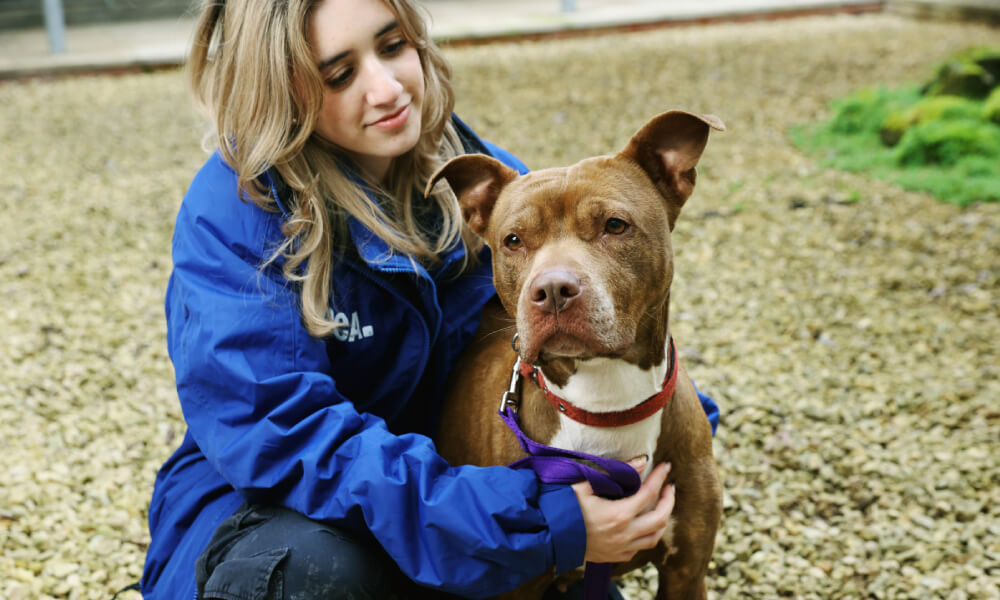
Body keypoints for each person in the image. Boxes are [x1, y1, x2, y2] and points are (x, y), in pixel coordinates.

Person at [139, 0, 721, 598]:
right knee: (313, 577)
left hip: (457, 505)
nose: (386, 88)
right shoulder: (235, 216)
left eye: (393, 46)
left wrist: (662, 431)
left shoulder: (488, 182)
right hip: (280, 517)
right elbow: (286, 433)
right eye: (339, 75)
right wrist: (537, 524)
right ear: (281, 96)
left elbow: (565, 347)